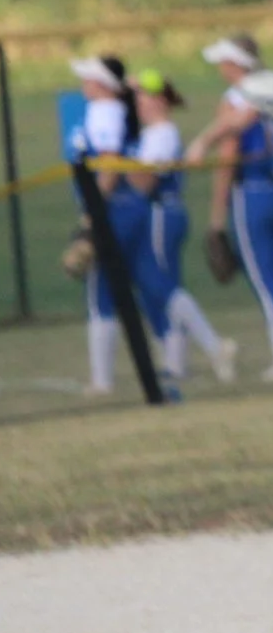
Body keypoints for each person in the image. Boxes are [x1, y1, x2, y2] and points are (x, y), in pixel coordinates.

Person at [187, 35, 273, 378]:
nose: (220, 69)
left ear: (235, 63)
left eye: (224, 62)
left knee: (265, 277)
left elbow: (229, 155)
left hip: (252, 192)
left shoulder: (237, 98)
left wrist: (217, 218)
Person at [130, 69, 237, 387]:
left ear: (159, 100)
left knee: (161, 285)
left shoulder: (161, 133)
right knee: (166, 286)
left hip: (162, 212)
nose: (138, 103)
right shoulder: (150, 133)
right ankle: (175, 363)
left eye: (143, 96)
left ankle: (214, 345)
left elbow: (147, 181)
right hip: (161, 213)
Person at [67, 56, 141, 395]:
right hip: (114, 207)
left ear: (101, 84)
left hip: (112, 208)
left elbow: (109, 163)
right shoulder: (105, 109)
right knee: (111, 290)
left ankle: (103, 380)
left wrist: (92, 215)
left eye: (89, 78)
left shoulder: (106, 110)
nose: (83, 83)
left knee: (100, 294)